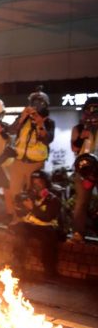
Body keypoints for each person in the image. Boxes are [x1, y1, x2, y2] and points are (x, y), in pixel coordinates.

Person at [4, 88, 55, 222]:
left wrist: (40, 123)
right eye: (33, 103)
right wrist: (22, 117)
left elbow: (47, 138)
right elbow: (10, 130)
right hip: (19, 162)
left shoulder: (48, 122)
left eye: (38, 104)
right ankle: (17, 221)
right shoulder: (24, 119)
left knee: (33, 194)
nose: (35, 107)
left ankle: (32, 222)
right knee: (15, 193)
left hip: (36, 165)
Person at [11, 170, 61, 278]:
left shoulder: (53, 199)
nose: (37, 186)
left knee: (49, 240)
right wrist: (18, 207)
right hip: (31, 226)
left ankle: (49, 270)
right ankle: (17, 266)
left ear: (46, 184)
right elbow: (21, 214)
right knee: (19, 233)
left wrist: (32, 208)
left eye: (40, 183)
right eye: (34, 183)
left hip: (46, 227)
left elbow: (47, 217)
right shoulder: (29, 196)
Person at [70, 96, 98, 240]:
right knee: (81, 202)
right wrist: (83, 136)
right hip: (84, 170)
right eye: (89, 110)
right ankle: (78, 233)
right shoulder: (78, 128)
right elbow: (74, 147)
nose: (91, 114)